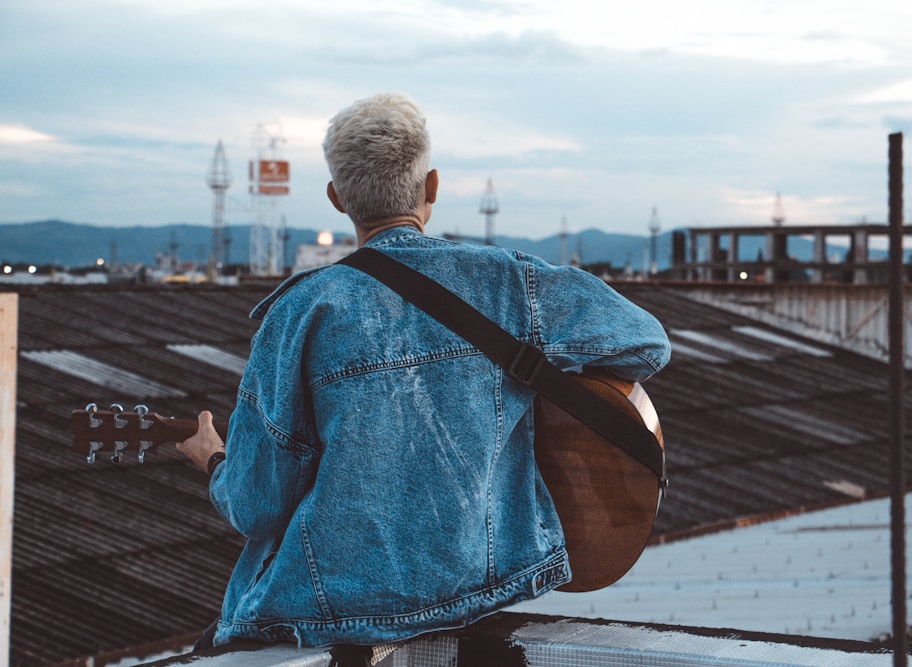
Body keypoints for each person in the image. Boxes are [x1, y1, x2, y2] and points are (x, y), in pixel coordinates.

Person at [177, 92, 670, 650]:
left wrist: (216, 460)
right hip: (484, 587)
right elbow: (647, 344)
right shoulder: (509, 282)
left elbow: (257, 505)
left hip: (330, 612)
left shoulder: (300, 312)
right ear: (431, 187)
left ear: (338, 199)